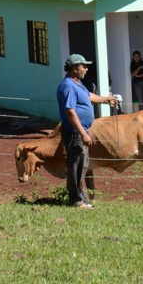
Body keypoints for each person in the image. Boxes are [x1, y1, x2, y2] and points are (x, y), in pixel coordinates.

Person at [57, 54, 117, 209]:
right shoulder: (68, 86)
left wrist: (105, 99)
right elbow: (70, 111)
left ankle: (81, 199)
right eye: (83, 66)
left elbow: (88, 96)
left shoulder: (78, 83)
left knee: (83, 165)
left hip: (80, 132)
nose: (86, 68)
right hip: (75, 132)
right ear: (75, 69)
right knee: (76, 166)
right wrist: (82, 133)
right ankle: (76, 201)